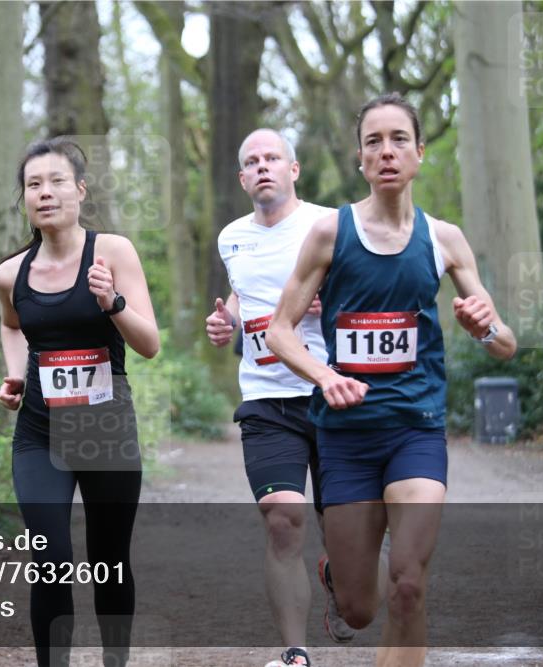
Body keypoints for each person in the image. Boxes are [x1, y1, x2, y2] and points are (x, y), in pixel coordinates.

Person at [266, 93, 517, 667]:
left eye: (398, 139)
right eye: (373, 141)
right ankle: (340, 572)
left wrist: (483, 326)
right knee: (360, 607)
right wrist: (325, 376)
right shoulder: (331, 233)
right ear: (359, 158)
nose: (386, 151)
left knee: (408, 583)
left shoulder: (445, 239)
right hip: (347, 438)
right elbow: (281, 331)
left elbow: (504, 344)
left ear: (420, 153)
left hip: (416, 431)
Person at [0, 137, 160, 667]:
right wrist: (16, 375)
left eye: (56, 181)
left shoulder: (113, 252)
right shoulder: (10, 274)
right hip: (40, 432)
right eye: (33, 185)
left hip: (105, 429)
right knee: (50, 559)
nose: (45, 193)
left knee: (109, 559)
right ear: (24, 198)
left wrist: (113, 302)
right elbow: (11, 324)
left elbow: (149, 344)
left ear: (80, 190)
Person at [205, 128, 352, 667]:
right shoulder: (231, 237)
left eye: (273, 158)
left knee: (346, 532)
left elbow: (363, 296)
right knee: (282, 519)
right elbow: (248, 300)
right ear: (243, 178)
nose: (262, 166)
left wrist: (328, 303)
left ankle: (340, 571)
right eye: (252, 161)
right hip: (267, 401)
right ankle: (295, 653)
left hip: (330, 391)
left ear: (294, 170)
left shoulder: (329, 225)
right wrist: (228, 325)